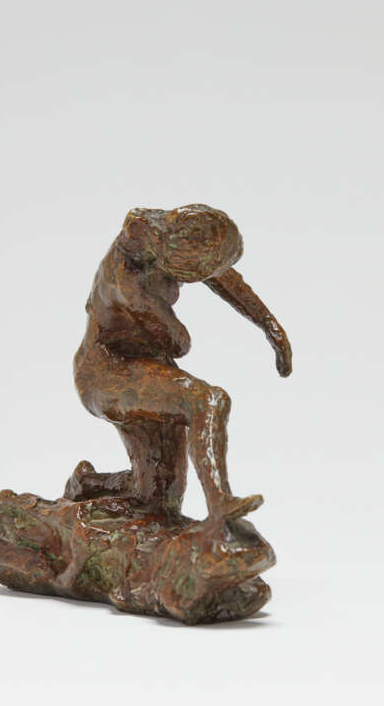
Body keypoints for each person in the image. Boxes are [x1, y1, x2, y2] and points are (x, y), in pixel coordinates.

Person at [73, 204, 292, 521]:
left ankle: (87, 484)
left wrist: (270, 328)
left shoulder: (166, 235)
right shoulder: (128, 283)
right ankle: (220, 501)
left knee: (159, 494)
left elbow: (220, 276)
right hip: (107, 371)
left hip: (147, 365)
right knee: (207, 400)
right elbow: (179, 343)